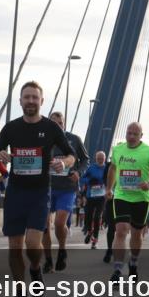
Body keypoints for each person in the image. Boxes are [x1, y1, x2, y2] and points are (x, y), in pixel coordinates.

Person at [0, 81, 75, 297]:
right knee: (15, 248)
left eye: (35, 97)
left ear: (41, 101)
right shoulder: (11, 128)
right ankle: (19, 291)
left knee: (33, 244)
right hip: (16, 193)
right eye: (27, 97)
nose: (31, 101)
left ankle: (35, 268)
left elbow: (72, 155)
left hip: (39, 193)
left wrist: (63, 163)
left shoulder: (52, 128)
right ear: (21, 101)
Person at [106, 122, 149, 280]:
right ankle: (117, 269)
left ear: (141, 136)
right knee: (120, 230)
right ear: (126, 133)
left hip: (141, 199)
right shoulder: (118, 149)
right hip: (122, 196)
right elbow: (113, 168)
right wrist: (109, 188)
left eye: (135, 134)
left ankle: (133, 262)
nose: (131, 137)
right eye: (129, 133)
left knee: (136, 234)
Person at [41, 111, 88, 273]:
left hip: (67, 188)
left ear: (64, 124)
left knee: (60, 223)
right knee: (45, 226)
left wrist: (78, 173)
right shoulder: (42, 140)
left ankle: (62, 249)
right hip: (46, 187)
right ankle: (47, 260)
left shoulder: (74, 140)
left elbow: (85, 160)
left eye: (60, 123)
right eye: (53, 123)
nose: (57, 126)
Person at [80, 151, 109, 249]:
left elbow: (113, 181)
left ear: (105, 159)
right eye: (98, 158)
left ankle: (95, 240)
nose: (100, 160)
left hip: (101, 197)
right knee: (88, 215)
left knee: (97, 217)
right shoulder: (91, 168)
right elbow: (82, 179)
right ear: (95, 158)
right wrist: (89, 181)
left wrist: (108, 189)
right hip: (90, 196)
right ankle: (89, 231)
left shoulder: (108, 169)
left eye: (102, 158)